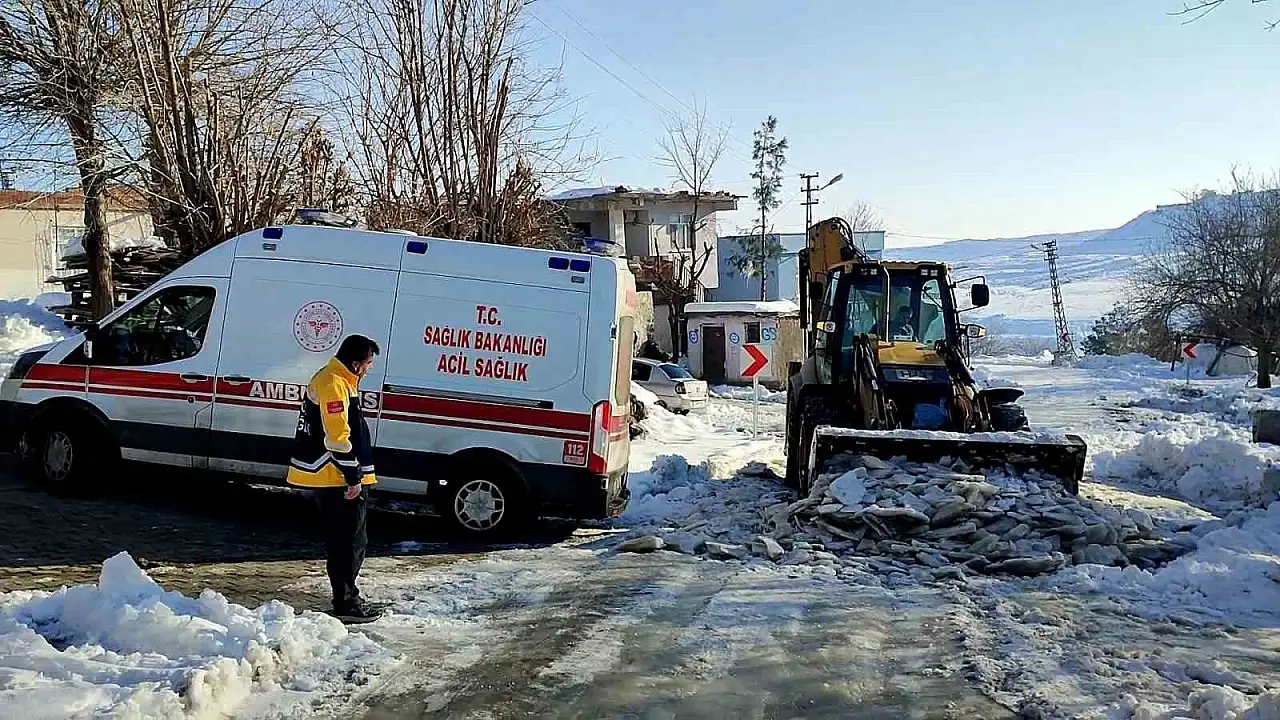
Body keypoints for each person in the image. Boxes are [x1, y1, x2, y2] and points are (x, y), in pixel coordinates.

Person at [287, 334, 382, 624]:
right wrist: (353, 478)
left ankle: (347, 596)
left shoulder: (338, 379)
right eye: (368, 363)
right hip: (335, 476)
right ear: (355, 363)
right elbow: (337, 438)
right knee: (349, 542)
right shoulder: (334, 383)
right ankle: (346, 603)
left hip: (336, 474)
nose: (369, 369)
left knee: (349, 540)